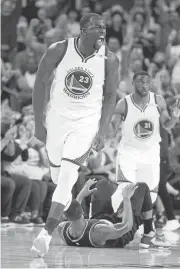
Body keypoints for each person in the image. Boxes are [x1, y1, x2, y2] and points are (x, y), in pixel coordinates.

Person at [31, 13, 120, 256]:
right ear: (82, 30)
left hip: (85, 124)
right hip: (57, 121)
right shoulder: (59, 49)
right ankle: (77, 217)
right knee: (60, 181)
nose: (102, 30)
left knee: (69, 175)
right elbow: (40, 83)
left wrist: (101, 131)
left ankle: (45, 233)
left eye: (103, 27)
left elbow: (111, 97)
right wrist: (39, 123)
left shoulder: (110, 60)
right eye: (95, 27)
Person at [111, 71, 180, 213]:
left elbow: (167, 125)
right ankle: (117, 219)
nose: (144, 85)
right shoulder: (123, 104)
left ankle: (140, 225)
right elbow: (112, 130)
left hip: (150, 153)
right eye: (140, 82)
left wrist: (174, 117)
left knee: (151, 195)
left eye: (147, 82)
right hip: (129, 153)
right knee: (124, 189)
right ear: (133, 84)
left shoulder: (158, 100)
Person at [55, 179, 170, 249]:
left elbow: (73, 213)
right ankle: (149, 233)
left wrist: (81, 194)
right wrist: (126, 199)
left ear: (65, 217)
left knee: (102, 184)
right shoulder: (99, 231)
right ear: (82, 213)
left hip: (99, 219)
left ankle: (114, 188)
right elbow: (126, 226)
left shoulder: (62, 229)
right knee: (141, 187)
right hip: (120, 230)